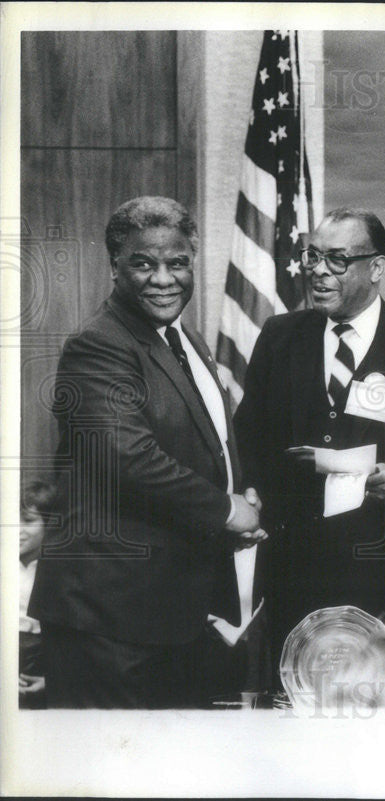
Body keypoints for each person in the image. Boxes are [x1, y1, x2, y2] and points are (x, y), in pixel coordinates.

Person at [28, 196, 265, 709]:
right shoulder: (99, 343)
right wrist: (227, 510)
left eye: (177, 263)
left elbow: (207, 440)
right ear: (115, 266)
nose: (163, 278)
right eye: (143, 263)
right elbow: (130, 459)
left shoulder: (181, 335)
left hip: (165, 611)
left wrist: (238, 495)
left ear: (192, 262)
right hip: (108, 617)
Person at [234, 208, 385, 677]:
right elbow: (250, 434)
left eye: (337, 260)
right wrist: (251, 486)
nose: (319, 271)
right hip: (295, 576)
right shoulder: (279, 336)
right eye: (313, 257)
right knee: (296, 719)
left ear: (377, 268)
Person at [19, 480, 56, 708]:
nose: (17, 530)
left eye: (29, 521)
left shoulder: (58, 575)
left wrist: (53, 681)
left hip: (43, 666)